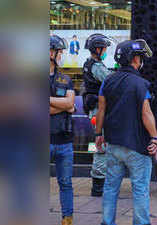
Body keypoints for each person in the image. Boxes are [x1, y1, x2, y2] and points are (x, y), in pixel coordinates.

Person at [95, 39, 157, 225]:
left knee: (110, 187)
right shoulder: (141, 84)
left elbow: (101, 109)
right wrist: (154, 137)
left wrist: (98, 134)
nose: (141, 61)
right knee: (139, 189)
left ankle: (107, 222)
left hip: (113, 144)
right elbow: (146, 113)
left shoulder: (107, 80)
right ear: (134, 59)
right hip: (137, 146)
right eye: (140, 57)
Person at [82, 33, 112, 197]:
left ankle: (100, 180)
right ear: (98, 49)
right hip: (97, 111)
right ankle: (98, 184)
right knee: (101, 145)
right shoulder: (96, 66)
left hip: (95, 110)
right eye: (105, 48)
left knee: (101, 143)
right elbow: (110, 81)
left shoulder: (90, 64)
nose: (106, 51)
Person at [50, 34, 75, 225]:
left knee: (66, 183)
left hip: (64, 142)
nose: (61, 55)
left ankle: (67, 218)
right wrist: (64, 105)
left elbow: (71, 103)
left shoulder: (65, 79)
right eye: (59, 52)